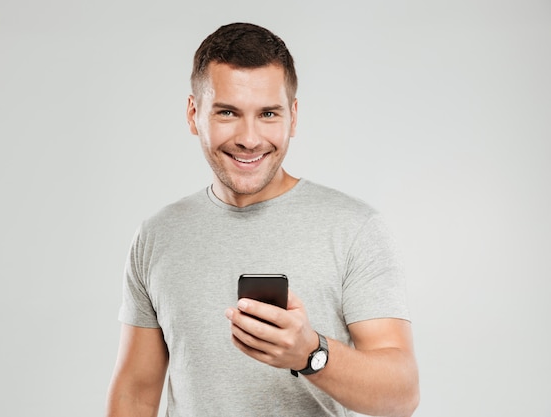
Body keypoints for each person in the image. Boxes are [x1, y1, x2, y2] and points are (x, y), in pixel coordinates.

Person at [106, 22, 419, 417]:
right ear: (193, 114)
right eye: (227, 112)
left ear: (293, 116)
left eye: (268, 113)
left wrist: (311, 353)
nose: (250, 138)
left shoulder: (355, 229)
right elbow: (134, 393)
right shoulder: (157, 235)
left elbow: (401, 394)